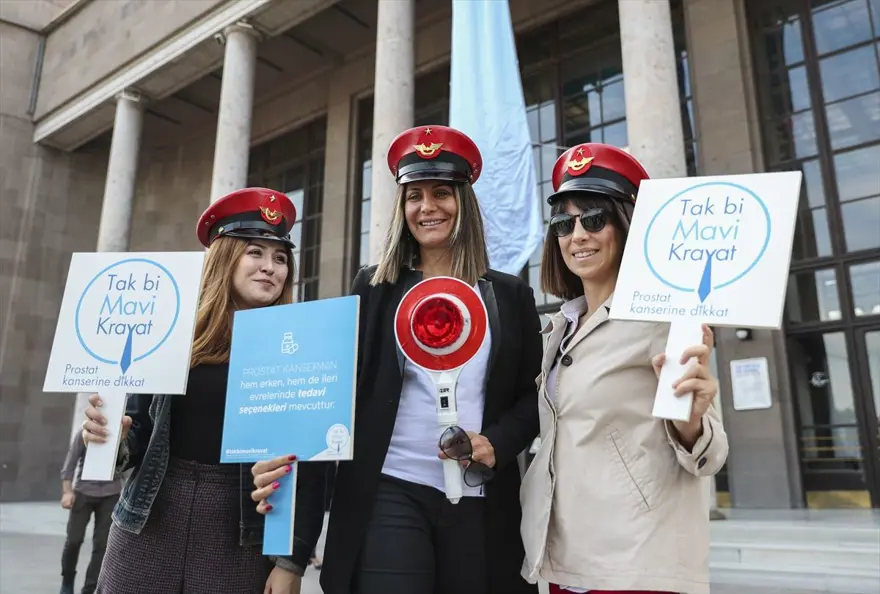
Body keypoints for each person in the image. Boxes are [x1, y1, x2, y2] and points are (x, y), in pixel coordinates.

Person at [251, 125, 543, 594]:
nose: (427, 207)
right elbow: (331, 402)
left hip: (480, 497)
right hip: (390, 488)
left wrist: (496, 442)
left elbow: (534, 398)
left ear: (463, 202)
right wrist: (292, 554)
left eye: (441, 193)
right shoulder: (374, 289)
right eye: (414, 196)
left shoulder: (509, 296)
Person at [80, 188, 326, 594]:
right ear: (225, 258)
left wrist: (291, 563)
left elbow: (313, 468)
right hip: (148, 522)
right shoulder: (169, 331)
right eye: (255, 253)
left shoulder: (300, 347)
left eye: (281, 258)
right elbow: (138, 434)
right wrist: (112, 439)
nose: (270, 268)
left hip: (241, 533)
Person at [519, 143, 730, 594]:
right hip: (566, 558)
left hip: (637, 560)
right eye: (564, 224)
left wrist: (692, 420)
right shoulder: (561, 327)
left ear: (625, 225)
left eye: (594, 219)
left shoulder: (666, 318)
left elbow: (708, 454)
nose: (578, 235)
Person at [59, 432, 121, 594]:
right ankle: (67, 581)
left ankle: (89, 588)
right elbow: (70, 462)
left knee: (102, 545)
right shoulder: (85, 432)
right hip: (83, 492)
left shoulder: (121, 433)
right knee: (74, 539)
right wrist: (67, 492)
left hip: (111, 494)